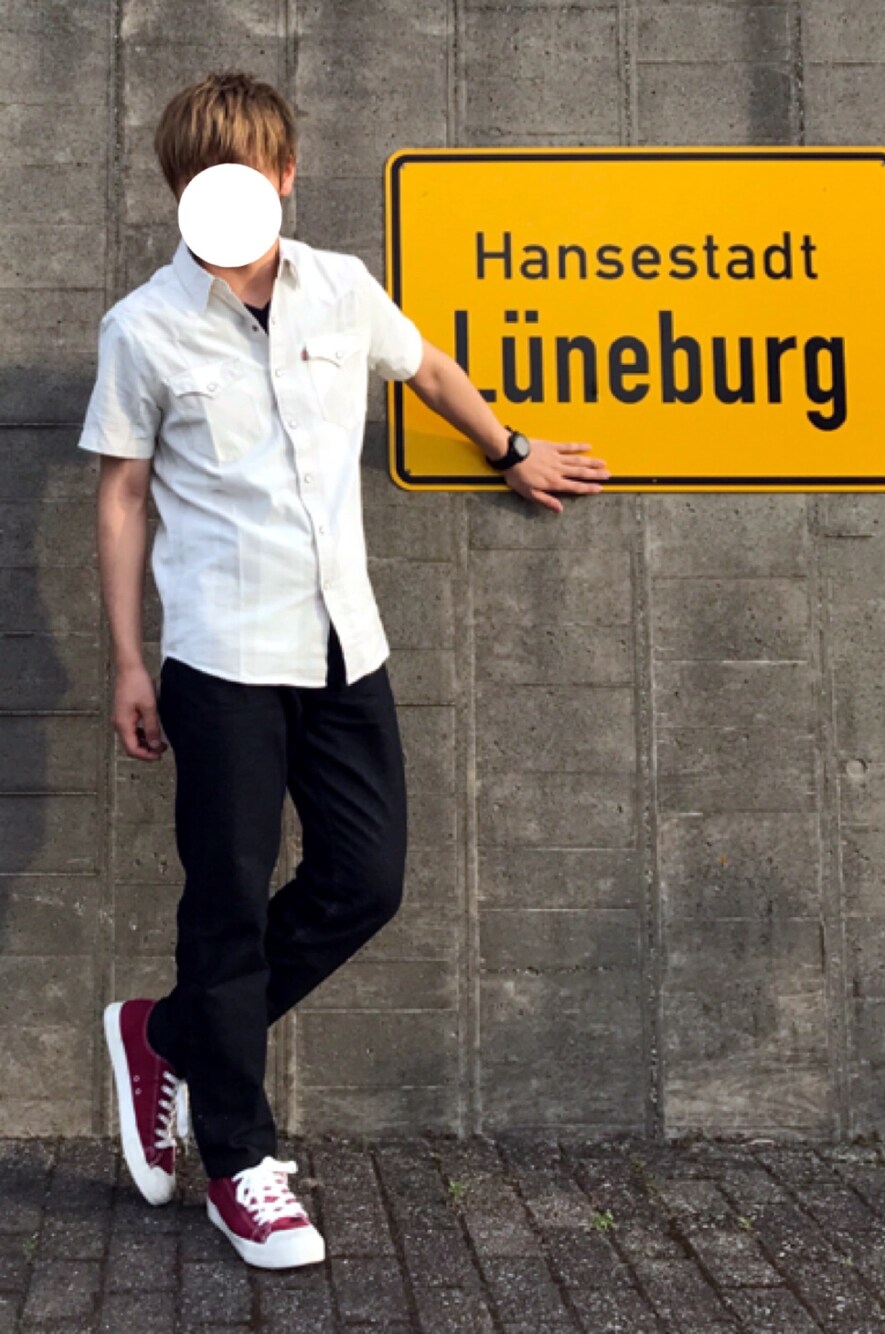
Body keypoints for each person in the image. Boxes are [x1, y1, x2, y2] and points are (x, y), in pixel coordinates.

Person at [79, 69, 610, 1270]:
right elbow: (121, 495)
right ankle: (239, 1163)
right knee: (225, 902)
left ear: (284, 174)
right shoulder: (143, 328)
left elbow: (426, 368)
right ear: (179, 189)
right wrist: (125, 657)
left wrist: (510, 446)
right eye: (202, 178)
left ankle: (166, 1034)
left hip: (342, 645)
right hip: (220, 656)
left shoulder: (341, 287)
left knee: (365, 879)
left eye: (247, 173)